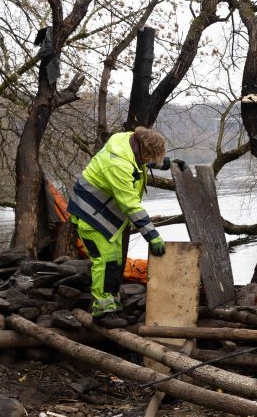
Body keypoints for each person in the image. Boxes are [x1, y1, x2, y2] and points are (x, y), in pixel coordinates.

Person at [67, 126, 185, 327]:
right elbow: (130, 204)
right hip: (90, 214)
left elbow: (139, 164)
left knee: (115, 262)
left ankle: (113, 308)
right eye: (151, 156)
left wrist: (166, 163)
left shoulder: (129, 142)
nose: (149, 159)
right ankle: (102, 313)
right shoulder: (118, 164)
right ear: (144, 149)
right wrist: (152, 235)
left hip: (103, 213)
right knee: (104, 263)